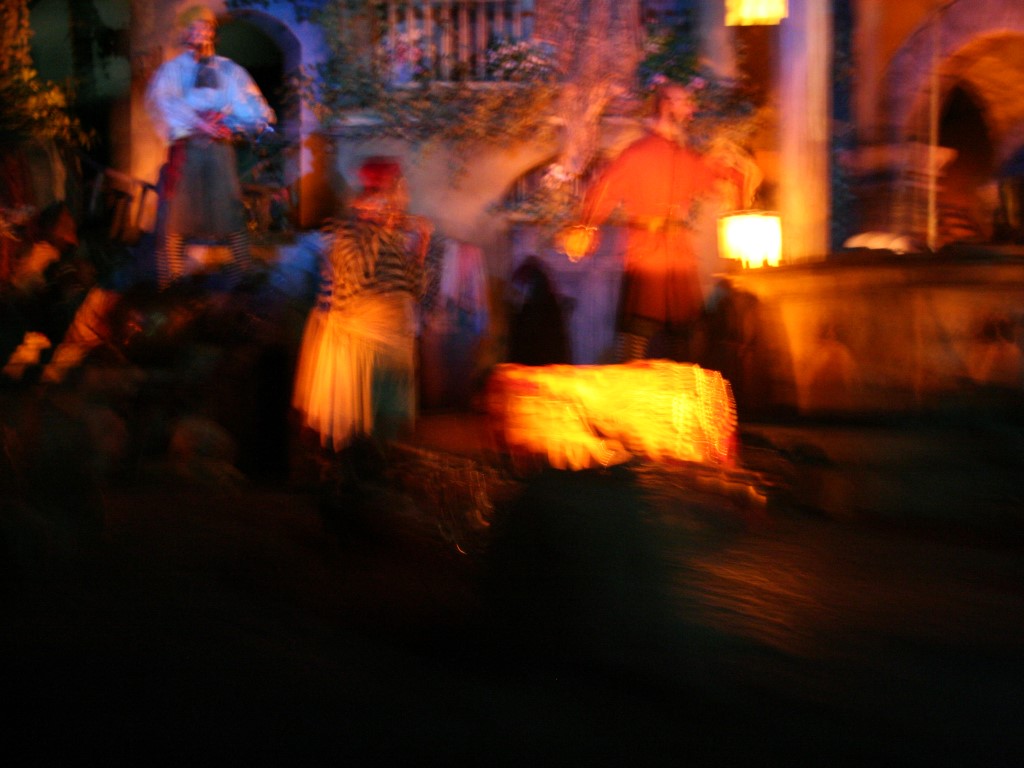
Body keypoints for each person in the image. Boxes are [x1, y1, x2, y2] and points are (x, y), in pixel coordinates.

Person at [575, 76, 754, 362]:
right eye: (684, 102)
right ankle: (631, 377)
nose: (691, 109)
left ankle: (685, 380)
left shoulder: (684, 156)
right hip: (646, 248)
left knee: (684, 328)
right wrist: (586, 225)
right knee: (639, 326)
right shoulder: (637, 153)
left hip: (678, 250)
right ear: (666, 106)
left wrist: (738, 176)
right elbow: (605, 189)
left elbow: (715, 177)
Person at [292, 157, 432, 453]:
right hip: (360, 340)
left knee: (387, 422)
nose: (401, 198)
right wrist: (382, 231)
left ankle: (381, 463)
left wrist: (420, 250)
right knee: (358, 425)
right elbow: (356, 280)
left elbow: (414, 289)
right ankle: (350, 468)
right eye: (395, 190)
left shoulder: (397, 234)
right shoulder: (344, 230)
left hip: (394, 339)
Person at [145, 5, 275, 290]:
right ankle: (171, 280)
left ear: (212, 33)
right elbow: (163, 101)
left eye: (206, 28)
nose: (201, 33)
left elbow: (251, 106)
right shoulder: (173, 70)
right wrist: (196, 121)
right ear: (185, 33)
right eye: (194, 28)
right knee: (176, 215)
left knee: (229, 211)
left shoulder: (228, 70)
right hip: (187, 149)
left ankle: (243, 273)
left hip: (218, 151)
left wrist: (232, 123)